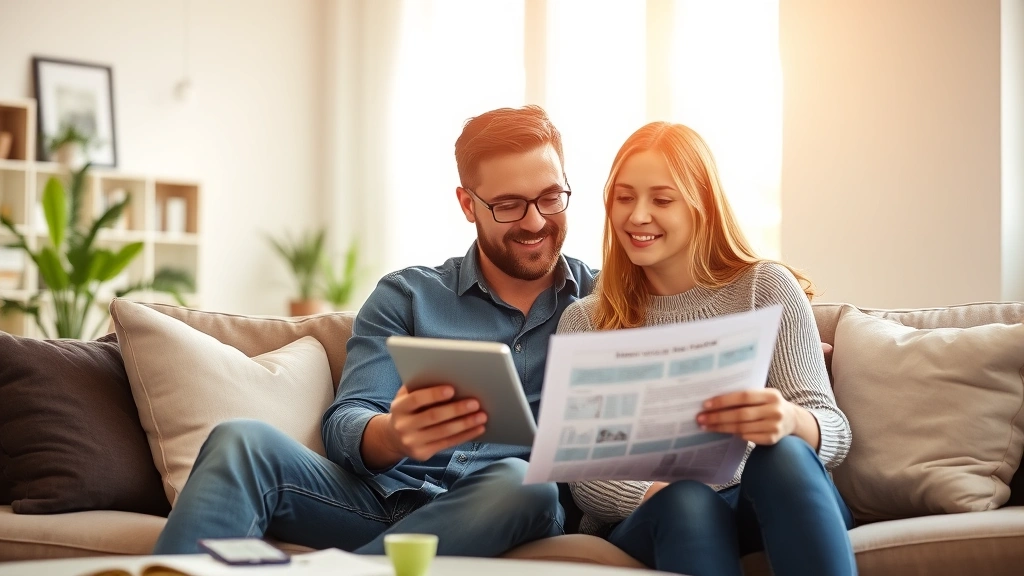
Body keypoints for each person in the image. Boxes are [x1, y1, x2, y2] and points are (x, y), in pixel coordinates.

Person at [153, 105, 597, 556]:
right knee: (241, 441)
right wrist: (392, 434)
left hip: (504, 506)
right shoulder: (409, 295)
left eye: (550, 197)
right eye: (509, 206)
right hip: (376, 503)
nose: (535, 221)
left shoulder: (605, 303)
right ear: (468, 204)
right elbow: (348, 419)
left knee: (525, 482)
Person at [559, 122, 856, 576]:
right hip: (661, 514)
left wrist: (791, 419)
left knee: (786, 454)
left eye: (662, 200)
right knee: (688, 499)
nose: (638, 216)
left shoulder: (765, 287)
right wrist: (655, 490)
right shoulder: (585, 321)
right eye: (624, 198)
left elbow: (835, 431)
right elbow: (585, 477)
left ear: (701, 205)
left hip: (762, 500)